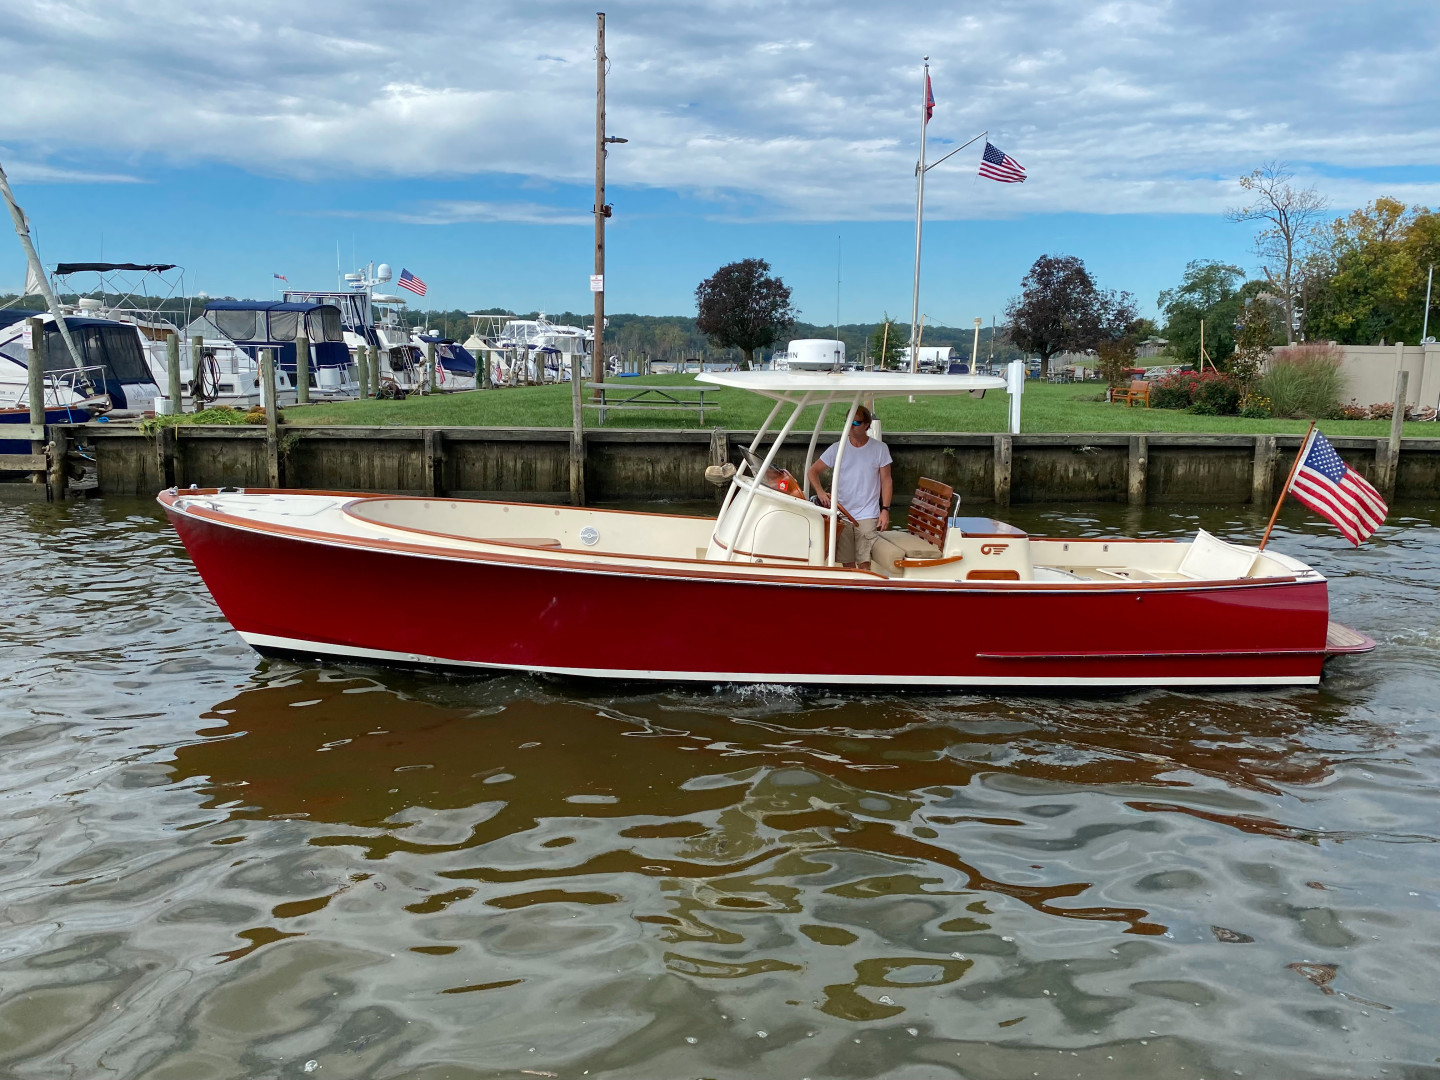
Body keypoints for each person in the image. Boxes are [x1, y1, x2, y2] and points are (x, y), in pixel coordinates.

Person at [806, 405, 893, 569]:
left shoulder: (880, 449)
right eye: (848, 422)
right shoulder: (837, 448)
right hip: (842, 513)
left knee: (864, 561)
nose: (851, 426)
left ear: (867, 425)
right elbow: (812, 472)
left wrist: (885, 510)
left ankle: (866, 590)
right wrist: (820, 492)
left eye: (856, 423)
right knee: (847, 562)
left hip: (868, 513)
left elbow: (886, 480)